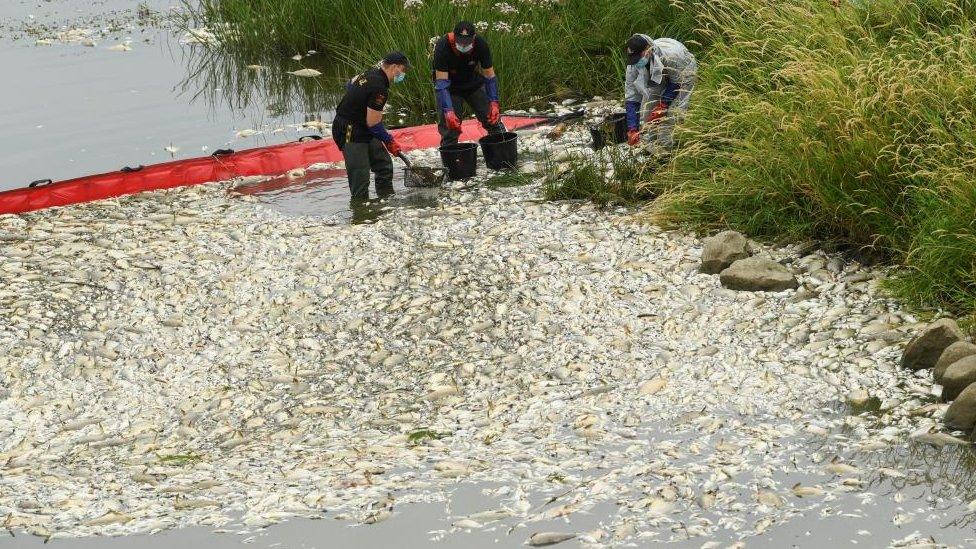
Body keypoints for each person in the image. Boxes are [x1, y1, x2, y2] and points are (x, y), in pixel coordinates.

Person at [332, 52, 410, 201]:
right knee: (360, 179)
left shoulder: (372, 73)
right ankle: (361, 213)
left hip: (363, 126)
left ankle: (386, 201)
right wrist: (389, 140)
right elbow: (373, 123)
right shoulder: (379, 87)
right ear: (394, 67)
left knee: (384, 166)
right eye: (403, 70)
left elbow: (349, 84)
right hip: (350, 131)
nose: (403, 74)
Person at [432, 21, 505, 147]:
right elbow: (442, 83)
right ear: (454, 37)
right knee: (451, 128)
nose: (464, 45)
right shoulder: (442, 46)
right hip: (450, 88)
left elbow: (490, 76)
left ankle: (503, 154)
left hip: (473, 83)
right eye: (460, 41)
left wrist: (494, 102)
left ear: (474, 38)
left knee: (492, 120)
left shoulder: (481, 44)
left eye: (467, 42)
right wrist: (448, 110)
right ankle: (451, 160)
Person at [624, 34, 697, 154]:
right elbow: (632, 97)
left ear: (648, 49)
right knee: (648, 114)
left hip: (683, 71)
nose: (636, 62)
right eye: (634, 58)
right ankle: (651, 149)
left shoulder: (673, 55)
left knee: (673, 114)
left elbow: (677, 82)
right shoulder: (633, 65)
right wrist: (632, 128)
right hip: (658, 76)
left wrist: (663, 105)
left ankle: (671, 152)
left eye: (638, 57)